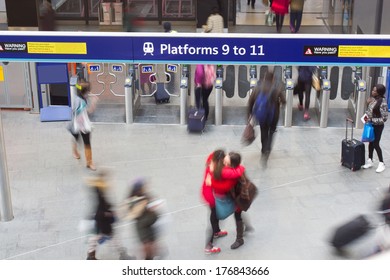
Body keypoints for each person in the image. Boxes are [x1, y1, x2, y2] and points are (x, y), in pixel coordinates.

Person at [204, 150, 246, 254]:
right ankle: (208, 246)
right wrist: (241, 167)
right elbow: (225, 186)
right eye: (224, 161)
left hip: (219, 197)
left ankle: (235, 236)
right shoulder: (224, 171)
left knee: (237, 214)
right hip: (216, 199)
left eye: (227, 162)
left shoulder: (213, 166)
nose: (225, 164)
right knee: (215, 219)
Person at [85, 171, 131, 260]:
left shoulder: (100, 193)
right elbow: (102, 209)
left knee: (94, 239)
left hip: (100, 221)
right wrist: (109, 214)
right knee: (112, 238)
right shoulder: (100, 193)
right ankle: (122, 255)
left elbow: (103, 204)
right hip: (103, 223)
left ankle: (91, 256)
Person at [248, 71, 285, 164]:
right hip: (273, 115)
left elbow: (250, 102)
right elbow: (284, 101)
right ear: (273, 79)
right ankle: (268, 149)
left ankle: (263, 150)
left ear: (264, 78)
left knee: (263, 131)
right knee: (271, 133)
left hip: (262, 115)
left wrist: (249, 114)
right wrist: (280, 103)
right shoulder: (276, 88)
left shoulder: (258, 88)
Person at [125, 178, 161, 260]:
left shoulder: (144, 195)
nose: (145, 187)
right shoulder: (133, 200)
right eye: (143, 186)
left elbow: (151, 201)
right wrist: (148, 208)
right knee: (147, 244)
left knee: (151, 242)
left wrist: (153, 203)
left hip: (149, 223)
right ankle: (148, 258)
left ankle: (150, 256)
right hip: (143, 226)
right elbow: (134, 213)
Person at [70, 80, 98, 171]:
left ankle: (87, 161)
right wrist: (93, 102)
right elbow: (89, 111)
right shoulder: (80, 101)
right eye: (88, 91)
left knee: (82, 141)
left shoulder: (77, 97)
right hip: (80, 124)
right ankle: (86, 160)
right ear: (85, 91)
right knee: (82, 141)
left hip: (79, 124)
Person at [362, 84, 388, 173]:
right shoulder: (373, 99)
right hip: (370, 124)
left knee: (376, 143)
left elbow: (384, 118)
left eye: (375, 91)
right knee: (371, 142)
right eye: (373, 90)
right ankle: (370, 160)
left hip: (378, 126)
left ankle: (381, 163)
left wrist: (372, 120)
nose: (373, 92)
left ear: (379, 92)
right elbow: (370, 111)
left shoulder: (383, 102)